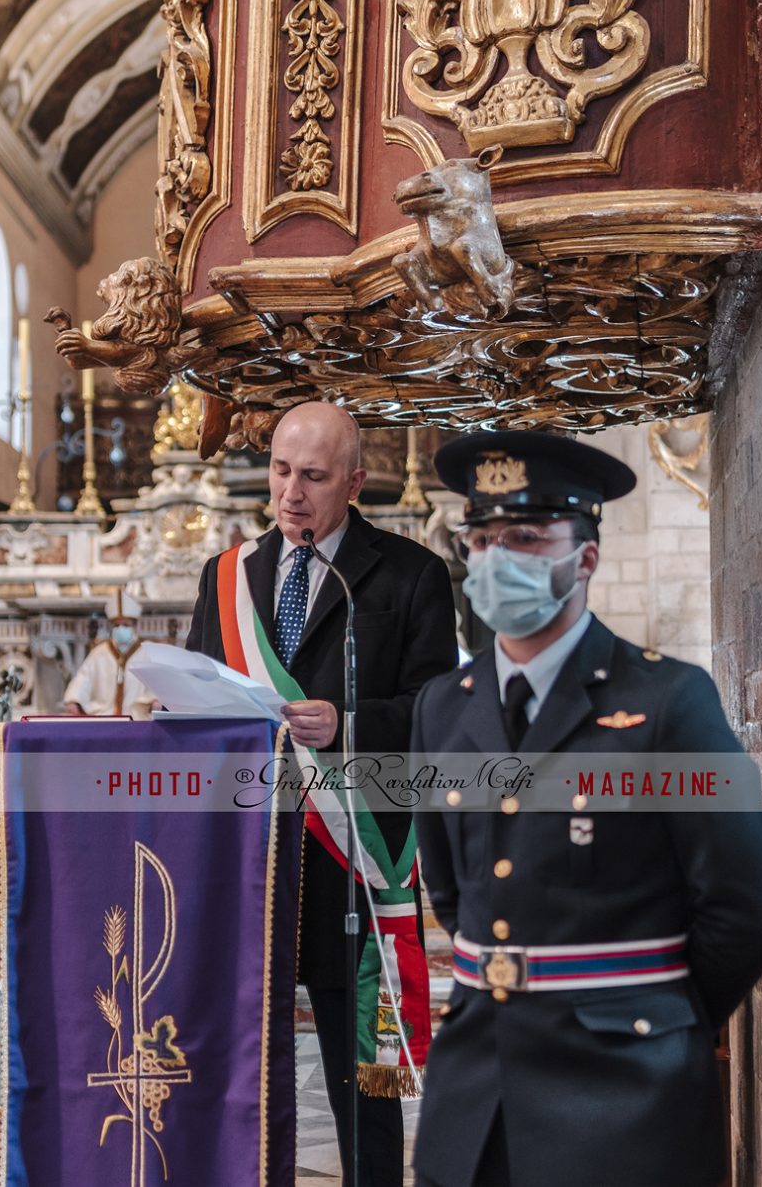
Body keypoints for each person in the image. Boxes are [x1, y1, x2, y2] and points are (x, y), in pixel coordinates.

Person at [410, 429, 762, 1187]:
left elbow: (744, 914)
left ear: (584, 558)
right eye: (481, 539)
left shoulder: (667, 702)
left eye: (524, 537)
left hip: (624, 1094)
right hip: (477, 1087)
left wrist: (651, 1015)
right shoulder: (443, 707)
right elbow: (453, 891)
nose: (494, 558)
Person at [185, 401, 457, 1187]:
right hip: (252, 859)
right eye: (279, 470)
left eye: (313, 476)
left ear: (355, 481)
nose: (290, 493)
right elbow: (209, 701)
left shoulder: (410, 573)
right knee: (242, 1065)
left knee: (360, 1072)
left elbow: (438, 711)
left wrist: (347, 721)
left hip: (352, 859)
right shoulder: (228, 575)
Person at [63, 596, 161, 718]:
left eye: (126, 625)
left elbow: (160, 683)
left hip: (138, 718)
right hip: (105, 718)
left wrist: (155, 701)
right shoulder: (99, 652)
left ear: (135, 627)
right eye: (116, 625)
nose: (121, 629)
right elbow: (83, 678)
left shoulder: (149, 652)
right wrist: (74, 700)